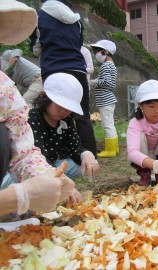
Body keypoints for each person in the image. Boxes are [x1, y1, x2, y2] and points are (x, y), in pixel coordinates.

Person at [0, 0, 75, 216]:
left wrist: (47, 177)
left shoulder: (4, 88)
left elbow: (22, 153)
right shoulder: (36, 117)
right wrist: (18, 197)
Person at [34, 0, 97, 158]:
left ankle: (49, 155)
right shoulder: (77, 22)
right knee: (82, 115)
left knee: (50, 112)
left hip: (54, 70)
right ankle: (90, 155)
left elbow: (35, 48)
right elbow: (79, 45)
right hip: (78, 70)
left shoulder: (40, 16)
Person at [29, 73, 100, 180]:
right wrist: (55, 174)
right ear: (45, 97)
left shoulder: (66, 119)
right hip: (33, 167)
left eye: (69, 107)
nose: (64, 111)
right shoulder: (33, 118)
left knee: (78, 166)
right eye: (60, 105)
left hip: (53, 164)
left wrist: (85, 154)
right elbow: (38, 156)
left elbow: (74, 147)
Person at [90, 40, 118, 158]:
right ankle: (115, 148)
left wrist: (93, 82)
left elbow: (107, 82)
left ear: (104, 52)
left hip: (105, 100)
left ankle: (110, 150)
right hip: (108, 99)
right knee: (110, 124)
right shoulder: (111, 65)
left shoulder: (106, 66)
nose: (96, 54)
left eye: (97, 51)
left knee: (107, 125)